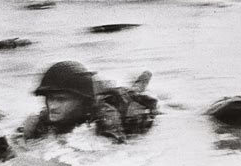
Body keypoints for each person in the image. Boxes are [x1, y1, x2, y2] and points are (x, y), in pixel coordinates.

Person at [18, 61, 159, 144]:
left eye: (61, 99)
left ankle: (143, 79)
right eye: (50, 98)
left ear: (81, 99)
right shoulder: (46, 115)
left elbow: (114, 153)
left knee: (134, 92)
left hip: (128, 111)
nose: (52, 106)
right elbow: (19, 141)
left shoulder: (106, 114)